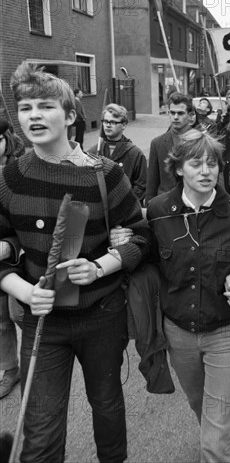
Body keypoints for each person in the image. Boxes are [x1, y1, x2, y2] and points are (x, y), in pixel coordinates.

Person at [0, 62, 151, 462]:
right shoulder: (9, 179)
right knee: (42, 428)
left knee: (107, 408)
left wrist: (101, 266)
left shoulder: (105, 175)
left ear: (69, 116)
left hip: (101, 314)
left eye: (45, 106)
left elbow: (141, 235)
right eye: (26, 107)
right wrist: (23, 290)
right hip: (42, 321)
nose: (34, 115)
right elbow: (1, 249)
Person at [147, 129, 230, 462]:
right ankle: (215, 434)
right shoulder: (158, 211)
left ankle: (215, 445)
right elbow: (147, 262)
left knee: (213, 442)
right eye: (195, 163)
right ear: (177, 168)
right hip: (178, 333)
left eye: (212, 164)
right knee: (199, 405)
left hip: (225, 334)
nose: (205, 171)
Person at [0, 119, 25, 399]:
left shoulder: (18, 175)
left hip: (15, 263)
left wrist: (9, 246)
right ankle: (10, 368)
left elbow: (33, 226)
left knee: (14, 317)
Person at [88, 104, 148, 204]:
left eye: (112, 122)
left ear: (123, 125)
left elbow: (141, 185)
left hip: (125, 209)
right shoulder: (94, 151)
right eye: (105, 121)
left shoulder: (134, 153)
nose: (108, 125)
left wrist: (127, 203)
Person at [146, 92, 196, 203]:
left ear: (190, 115)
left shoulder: (200, 141)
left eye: (180, 113)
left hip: (192, 203)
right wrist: (150, 208)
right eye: (172, 113)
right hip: (165, 204)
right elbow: (151, 182)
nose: (175, 117)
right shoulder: (157, 143)